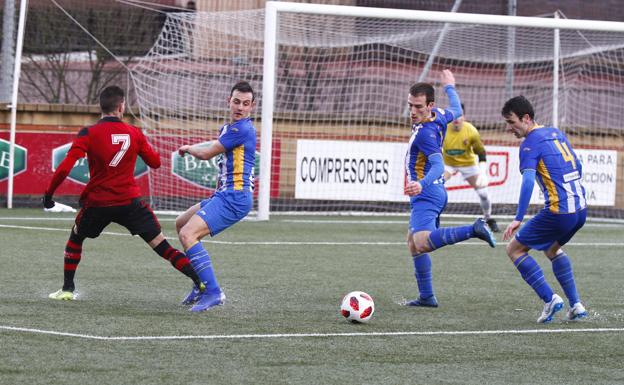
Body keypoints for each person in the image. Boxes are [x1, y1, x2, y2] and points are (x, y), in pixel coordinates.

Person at [45, 85, 204, 301]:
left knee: (76, 236)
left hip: (98, 203)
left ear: (101, 107)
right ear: (121, 107)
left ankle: (67, 289)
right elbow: (156, 163)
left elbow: (65, 166)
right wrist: (137, 147)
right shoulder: (134, 133)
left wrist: (49, 195)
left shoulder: (88, 133)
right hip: (130, 203)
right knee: (161, 245)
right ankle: (200, 281)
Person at [404, 70, 496, 308]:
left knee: (421, 242)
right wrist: (450, 87)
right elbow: (456, 108)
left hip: (426, 194)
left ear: (430, 105)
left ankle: (474, 229)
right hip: (433, 192)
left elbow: (436, 164)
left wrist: (420, 184)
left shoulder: (426, 133)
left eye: (418, 107)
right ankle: (426, 296)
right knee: (413, 243)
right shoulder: (441, 115)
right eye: (410, 105)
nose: (413, 112)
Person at [501, 95, 588, 323]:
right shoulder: (556, 133)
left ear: (526, 118)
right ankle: (576, 305)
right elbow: (578, 167)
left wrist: (518, 218)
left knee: (514, 249)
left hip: (560, 212)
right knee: (551, 249)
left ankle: (550, 300)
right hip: (580, 211)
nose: (509, 128)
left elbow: (528, 181)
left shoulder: (530, 143)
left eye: (512, 122)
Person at [175, 81, 256, 312]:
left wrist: (188, 148)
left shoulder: (243, 129)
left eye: (246, 103)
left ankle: (213, 292)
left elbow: (206, 154)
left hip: (235, 198)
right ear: (228, 102)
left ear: (252, 107)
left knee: (188, 234)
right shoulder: (228, 128)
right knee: (181, 223)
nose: (240, 107)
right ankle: (201, 285)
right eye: (237, 101)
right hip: (223, 194)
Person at [442, 104, 499, 232]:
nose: (456, 119)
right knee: (437, 186)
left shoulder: (471, 131)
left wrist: (483, 173)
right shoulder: (443, 130)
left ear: (464, 117)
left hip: (468, 164)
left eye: (459, 116)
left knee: (483, 194)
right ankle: (432, 218)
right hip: (448, 164)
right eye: (454, 116)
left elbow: (481, 152)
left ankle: (488, 218)